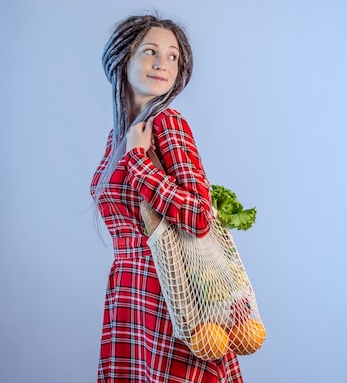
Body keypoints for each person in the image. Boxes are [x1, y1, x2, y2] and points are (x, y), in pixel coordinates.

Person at [90, 14, 244, 382]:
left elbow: (199, 216)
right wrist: (133, 153)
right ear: (122, 59)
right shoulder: (123, 134)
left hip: (168, 294)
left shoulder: (166, 124)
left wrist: (140, 163)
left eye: (173, 56)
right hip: (132, 294)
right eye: (150, 51)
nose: (162, 63)